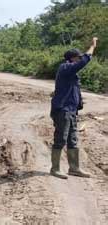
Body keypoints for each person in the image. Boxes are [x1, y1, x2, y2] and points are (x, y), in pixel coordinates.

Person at [50, 37, 99, 179]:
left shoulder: (70, 72)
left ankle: (74, 168)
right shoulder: (65, 67)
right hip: (63, 110)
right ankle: (55, 169)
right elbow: (85, 60)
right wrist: (93, 46)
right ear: (72, 59)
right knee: (61, 138)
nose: (80, 60)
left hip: (71, 110)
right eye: (78, 58)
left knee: (73, 139)